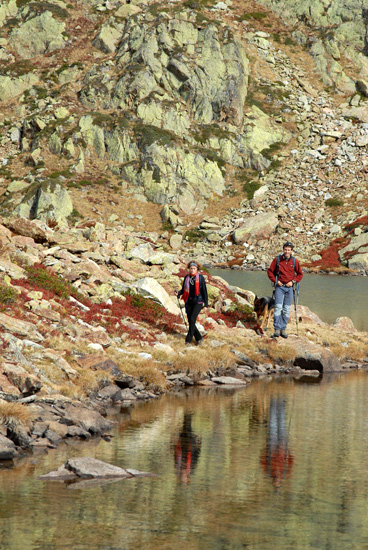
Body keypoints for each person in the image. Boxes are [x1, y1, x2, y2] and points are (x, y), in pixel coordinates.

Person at [267, 241, 303, 339]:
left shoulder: (295, 262)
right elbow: (270, 271)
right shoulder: (277, 260)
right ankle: (277, 329)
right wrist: (276, 281)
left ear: (291, 251)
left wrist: (293, 282)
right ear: (283, 250)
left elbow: (300, 274)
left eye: (289, 250)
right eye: (285, 249)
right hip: (279, 287)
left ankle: (283, 328)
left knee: (286, 309)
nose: (287, 251)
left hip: (289, 288)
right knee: (278, 307)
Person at [176, 261, 208, 346]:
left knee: (193, 319)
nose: (192, 270)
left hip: (198, 302)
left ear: (197, 269)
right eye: (191, 268)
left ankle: (188, 341)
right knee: (191, 321)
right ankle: (199, 338)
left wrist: (206, 305)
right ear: (189, 269)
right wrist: (178, 293)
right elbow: (183, 290)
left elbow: (204, 291)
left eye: (194, 268)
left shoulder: (201, 278)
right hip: (188, 302)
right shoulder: (187, 277)